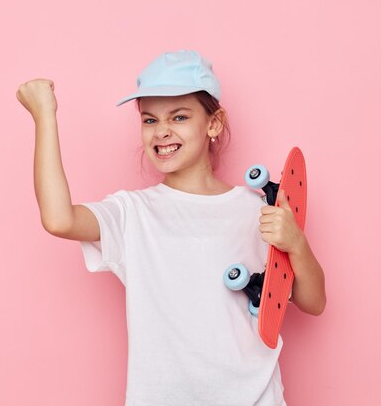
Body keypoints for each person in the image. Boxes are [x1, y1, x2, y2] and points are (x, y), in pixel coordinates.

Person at [16, 50, 326, 406]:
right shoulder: (133, 213)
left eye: (179, 116)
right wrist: (44, 115)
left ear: (214, 123)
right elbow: (59, 219)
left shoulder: (256, 208)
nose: (162, 131)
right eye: (149, 120)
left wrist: (296, 244)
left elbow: (313, 302)